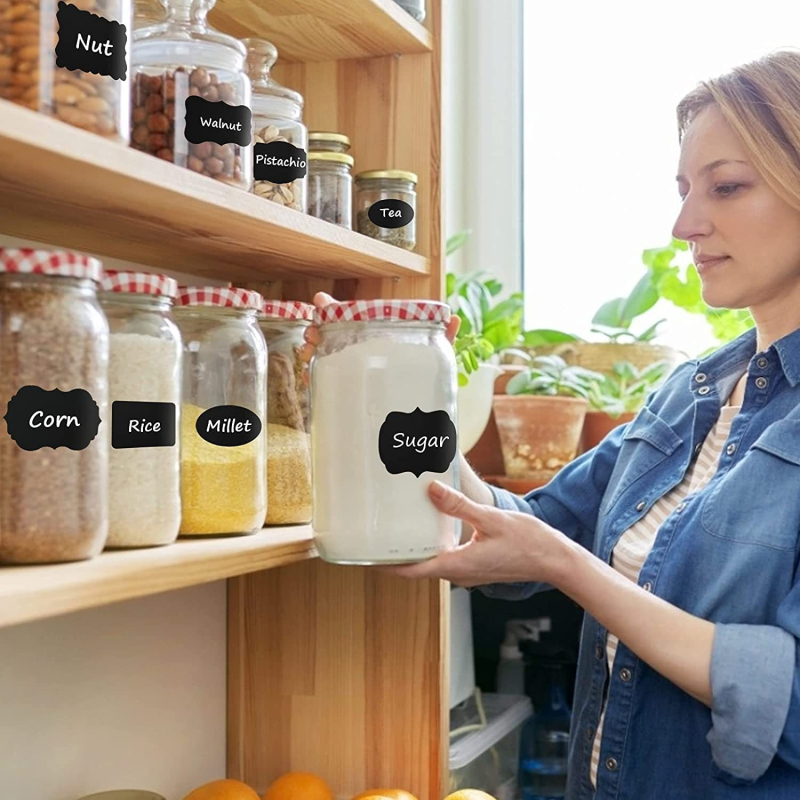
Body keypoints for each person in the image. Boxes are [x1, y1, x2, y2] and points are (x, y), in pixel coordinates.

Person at [304, 51, 800, 798]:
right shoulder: (687, 395)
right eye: (683, 191)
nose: (684, 224)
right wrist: (384, 382)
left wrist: (567, 567)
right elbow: (534, 528)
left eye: (726, 187)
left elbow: (787, 702)